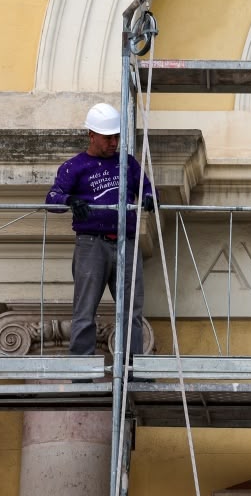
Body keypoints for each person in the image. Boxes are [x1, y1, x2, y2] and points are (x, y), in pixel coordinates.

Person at [46, 103, 155, 358]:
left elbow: (148, 188)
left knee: (131, 313)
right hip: (92, 244)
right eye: (108, 137)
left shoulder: (127, 163)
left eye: (117, 137)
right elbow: (52, 198)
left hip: (126, 243)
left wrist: (149, 197)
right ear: (92, 135)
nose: (114, 142)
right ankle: (81, 370)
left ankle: (132, 369)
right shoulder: (75, 166)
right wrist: (70, 201)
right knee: (84, 311)